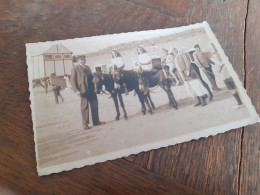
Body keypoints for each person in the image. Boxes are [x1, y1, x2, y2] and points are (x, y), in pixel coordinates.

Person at [70, 55, 105, 130]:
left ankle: (96, 122)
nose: (83, 61)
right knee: (84, 107)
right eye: (81, 60)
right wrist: (76, 90)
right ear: (78, 61)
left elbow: (92, 78)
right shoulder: (75, 68)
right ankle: (85, 124)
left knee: (95, 104)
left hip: (91, 89)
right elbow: (72, 80)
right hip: (83, 90)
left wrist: (98, 87)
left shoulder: (88, 67)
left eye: (84, 59)